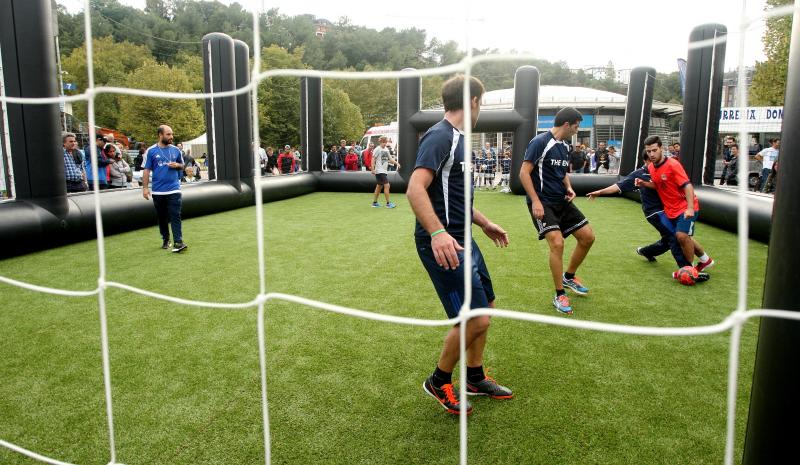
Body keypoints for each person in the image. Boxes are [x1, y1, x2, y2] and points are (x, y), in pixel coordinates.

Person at [408, 75, 512, 416]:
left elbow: (455, 196)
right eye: (481, 101)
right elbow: (415, 189)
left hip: (464, 238)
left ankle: (474, 376)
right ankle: (439, 380)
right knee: (474, 319)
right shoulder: (440, 136)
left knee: (488, 305)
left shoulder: (461, 140)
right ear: (472, 102)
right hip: (443, 242)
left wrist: (484, 222)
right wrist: (438, 233)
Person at [519, 107, 595, 315]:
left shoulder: (565, 146)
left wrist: (569, 187)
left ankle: (568, 277)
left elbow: (562, 173)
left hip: (561, 201)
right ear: (566, 124)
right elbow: (524, 173)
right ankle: (559, 294)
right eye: (576, 126)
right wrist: (535, 201)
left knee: (588, 237)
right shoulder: (540, 142)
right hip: (543, 202)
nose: (577, 130)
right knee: (557, 243)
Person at [586, 152, 700, 271]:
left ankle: (646, 251)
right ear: (646, 161)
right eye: (652, 160)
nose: (656, 163)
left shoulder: (665, 170)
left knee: (670, 239)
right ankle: (686, 270)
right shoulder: (639, 174)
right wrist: (600, 192)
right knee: (673, 236)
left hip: (670, 210)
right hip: (655, 213)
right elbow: (619, 186)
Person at [635, 136, 714, 277]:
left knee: (681, 235)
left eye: (654, 150)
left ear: (661, 148)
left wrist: (690, 208)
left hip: (686, 207)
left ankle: (688, 270)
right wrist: (644, 183)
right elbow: (658, 184)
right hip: (670, 209)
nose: (651, 154)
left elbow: (687, 186)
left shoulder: (673, 165)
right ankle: (705, 260)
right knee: (682, 236)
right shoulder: (652, 167)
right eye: (648, 151)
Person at [142, 125, 187, 253]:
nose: (171, 137)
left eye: (172, 134)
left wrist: (178, 165)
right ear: (160, 135)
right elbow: (146, 170)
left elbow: (183, 166)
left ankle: (178, 242)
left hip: (174, 189)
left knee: (175, 215)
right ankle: (166, 239)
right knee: (162, 217)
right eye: (168, 134)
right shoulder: (151, 151)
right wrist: (145, 188)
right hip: (158, 191)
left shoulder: (176, 150)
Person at [370, 136, 400, 208]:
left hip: (384, 171)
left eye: (385, 142)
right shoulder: (377, 149)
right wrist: (372, 169)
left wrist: (396, 163)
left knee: (379, 187)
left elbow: (389, 159)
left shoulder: (386, 149)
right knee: (387, 185)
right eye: (383, 142)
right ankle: (388, 203)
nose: (385, 143)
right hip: (379, 171)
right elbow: (373, 159)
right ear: (380, 142)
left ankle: (374, 202)